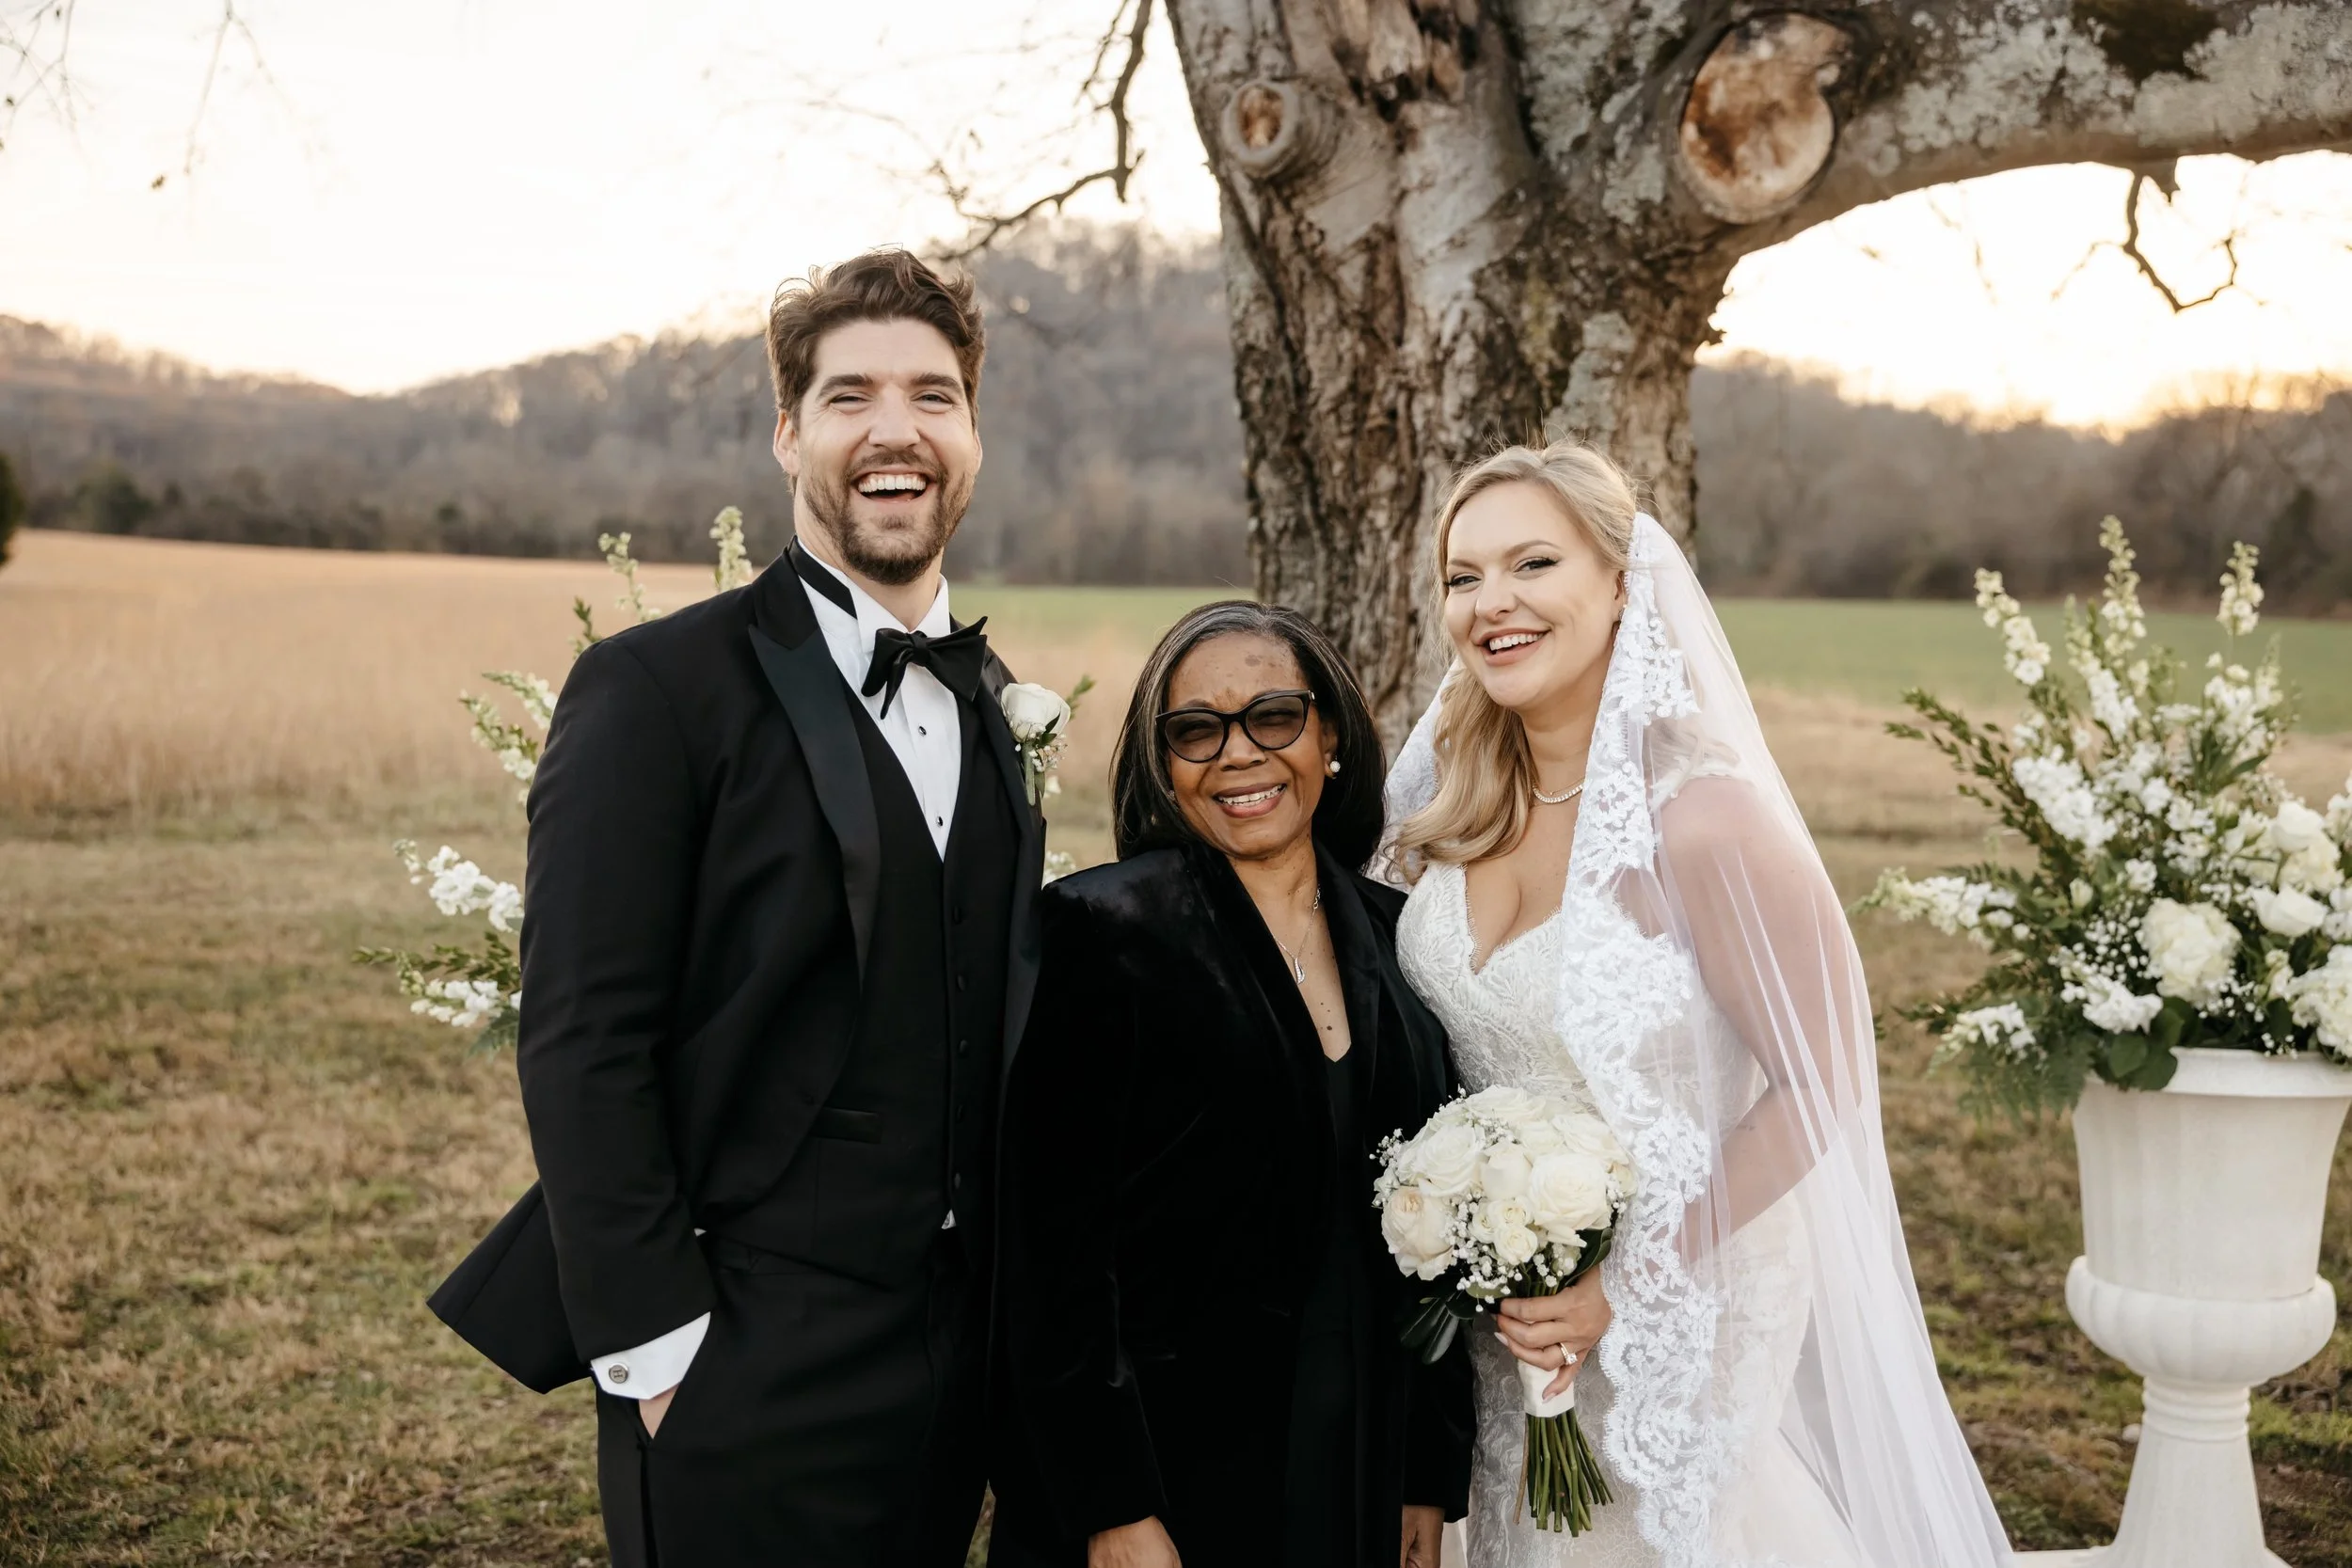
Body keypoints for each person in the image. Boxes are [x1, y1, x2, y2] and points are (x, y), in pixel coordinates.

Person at [426, 248, 1041, 1566]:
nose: (897, 430)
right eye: (850, 396)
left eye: (935, 396)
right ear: (787, 434)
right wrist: (661, 1353)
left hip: (955, 1356)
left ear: (973, 434)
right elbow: (583, 1032)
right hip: (737, 1350)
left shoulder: (991, 703)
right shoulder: (653, 689)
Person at [1382, 441, 2014, 1567]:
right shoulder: (1445, 804)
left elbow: (1821, 1082)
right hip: (1508, 1319)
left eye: (1533, 562)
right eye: (1462, 576)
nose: (1493, 603)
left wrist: (1626, 1279)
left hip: (1686, 1297)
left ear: (1621, 584)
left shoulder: (1707, 818)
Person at [990, 602, 1473, 1568]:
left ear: (1329, 733)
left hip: (1354, 1457)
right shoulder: (1101, 930)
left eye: (1273, 716)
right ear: (1164, 764)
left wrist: (1428, 1468)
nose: (1239, 754)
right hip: (1170, 1476)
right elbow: (1049, 1260)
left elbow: (1436, 1231)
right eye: (1196, 730)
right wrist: (1110, 1504)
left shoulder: (1400, 933)